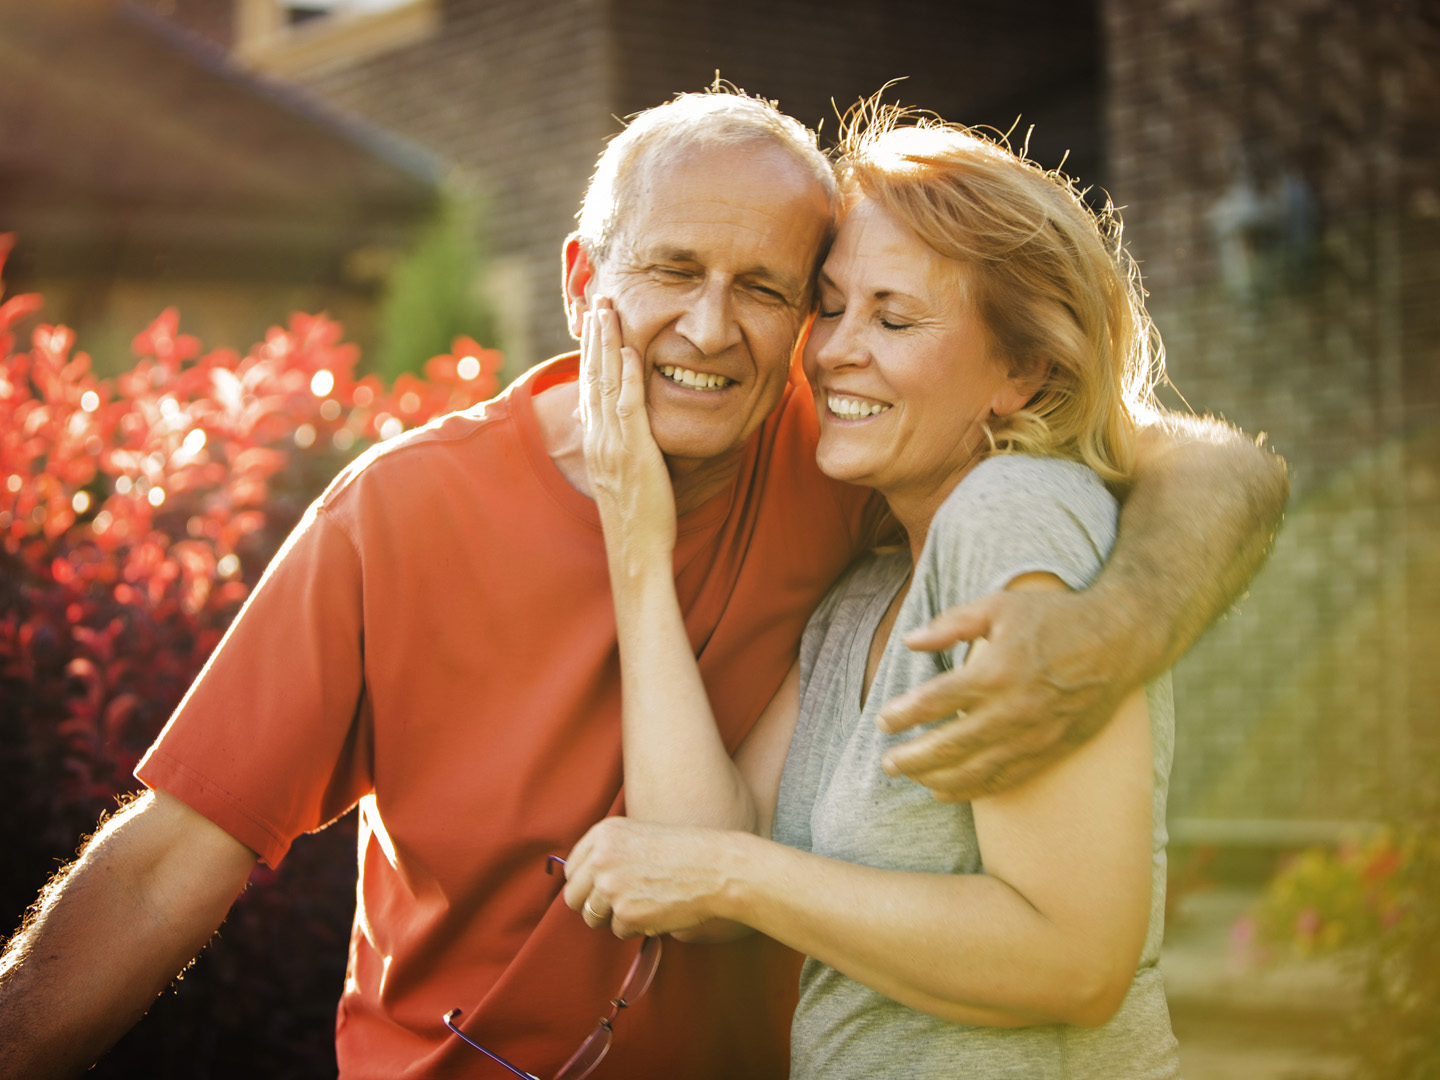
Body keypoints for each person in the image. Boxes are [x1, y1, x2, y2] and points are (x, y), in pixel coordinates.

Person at [0, 89, 1286, 1080]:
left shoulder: (855, 450)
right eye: (672, 272)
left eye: (772, 291)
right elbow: (173, 860)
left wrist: (1107, 625)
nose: (715, 330)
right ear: (581, 282)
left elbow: (1189, 462)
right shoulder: (402, 509)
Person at [561, 111, 1198, 1077]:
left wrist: (737, 876)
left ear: (1020, 372)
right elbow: (693, 854)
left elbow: (1074, 961)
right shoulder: (867, 590)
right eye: (831, 306)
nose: (831, 354)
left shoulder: (1013, 514)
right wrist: (638, 540)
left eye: (894, 320)